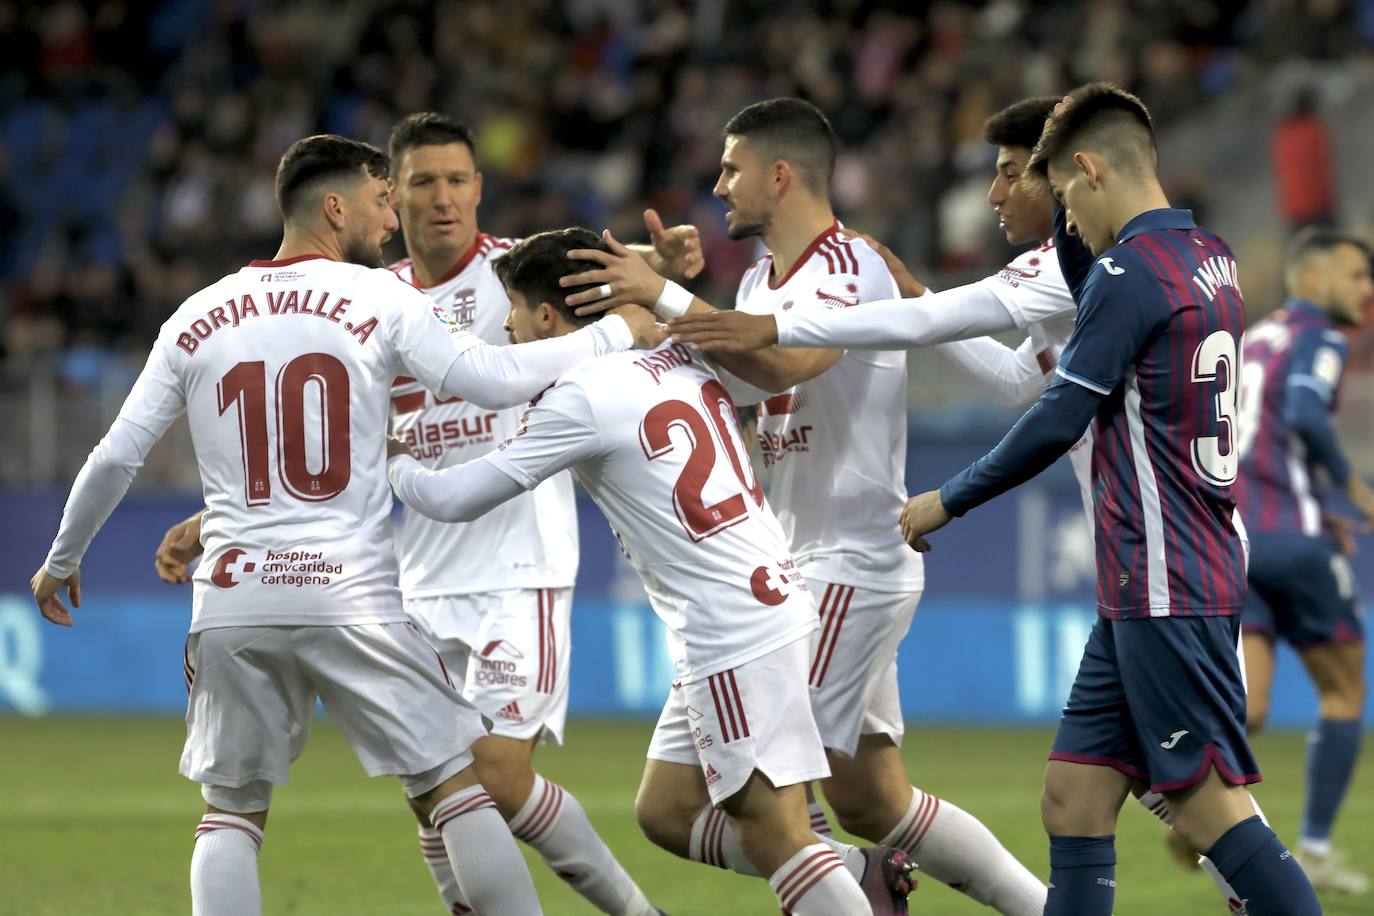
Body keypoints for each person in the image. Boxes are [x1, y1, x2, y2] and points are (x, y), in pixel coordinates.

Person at [33, 133, 660, 916]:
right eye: (381, 197)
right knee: (456, 790)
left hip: (233, 595)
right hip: (351, 593)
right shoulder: (378, 296)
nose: (390, 216)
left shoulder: (196, 316)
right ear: (336, 206)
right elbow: (491, 380)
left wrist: (62, 560)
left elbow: (117, 455)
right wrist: (615, 333)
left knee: (229, 812)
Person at [670, 95, 1263, 913]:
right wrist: (914, 302)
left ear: (1070, 178)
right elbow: (1026, 378)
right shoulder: (1176, 257)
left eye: (1014, 174)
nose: (995, 195)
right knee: (1068, 790)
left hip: (1161, 556)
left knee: (1187, 782)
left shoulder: (1089, 262)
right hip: (1152, 553)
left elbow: (1031, 397)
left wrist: (948, 490)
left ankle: (1259, 888)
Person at [562, 97, 1044, 915]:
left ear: (779, 175)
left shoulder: (851, 263)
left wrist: (674, 302)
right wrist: (662, 291)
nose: (717, 185)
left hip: (844, 569)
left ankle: (848, 889)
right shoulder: (756, 279)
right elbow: (736, 378)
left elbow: (792, 363)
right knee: (840, 804)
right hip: (792, 572)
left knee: (768, 810)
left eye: (730, 167)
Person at [387, 226, 917, 915]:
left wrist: (390, 457)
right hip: (767, 596)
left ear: (548, 317)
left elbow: (455, 497)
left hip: (726, 626)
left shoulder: (578, 396)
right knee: (666, 809)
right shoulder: (675, 354)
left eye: (512, 310)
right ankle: (850, 869)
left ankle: (841, 880)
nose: (507, 327)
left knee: (776, 832)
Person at [898, 82, 1323, 916]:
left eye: (1062, 195)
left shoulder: (1129, 275)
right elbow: (1089, 272)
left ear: (1087, 171)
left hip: (1167, 580)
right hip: (1156, 574)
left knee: (1207, 806)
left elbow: (1059, 417)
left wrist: (946, 499)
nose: (1067, 225)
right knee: (1075, 795)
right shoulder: (1211, 255)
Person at [1235, 226, 1374, 895]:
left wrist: (1319, 504)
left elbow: (1263, 439)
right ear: (1313, 279)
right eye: (1356, 276)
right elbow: (1306, 416)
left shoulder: (1259, 335)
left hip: (1236, 537)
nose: (1367, 289)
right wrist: (1351, 489)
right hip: (1295, 539)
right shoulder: (1321, 336)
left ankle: (1202, 813)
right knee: (1345, 690)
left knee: (1249, 709)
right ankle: (1314, 848)